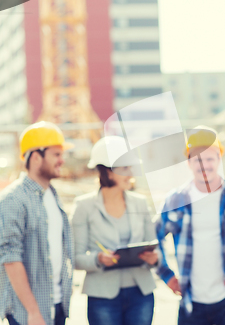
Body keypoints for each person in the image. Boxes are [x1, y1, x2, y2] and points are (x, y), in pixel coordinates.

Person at [155, 126, 225, 325]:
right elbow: (154, 238)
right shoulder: (176, 200)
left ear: (219, 159)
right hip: (192, 304)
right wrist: (167, 276)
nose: (203, 164)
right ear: (188, 161)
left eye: (209, 158)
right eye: (197, 159)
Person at [0, 121, 75, 325]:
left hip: (56, 305)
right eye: (56, 154)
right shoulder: (12, 200)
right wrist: (33, 312)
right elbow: (10, 258)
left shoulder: (52, 196)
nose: (62, 160)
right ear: (36, 157)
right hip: (28, 313)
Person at [72, 136, 158, 325]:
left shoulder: (140, 203)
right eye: (125, 168)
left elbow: (155, 248)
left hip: (141, 293)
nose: (131, 173)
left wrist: (154, 258)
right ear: (108, 172)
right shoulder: (83, 207)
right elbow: (75, 257)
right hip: (102, 296)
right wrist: (98, 259)